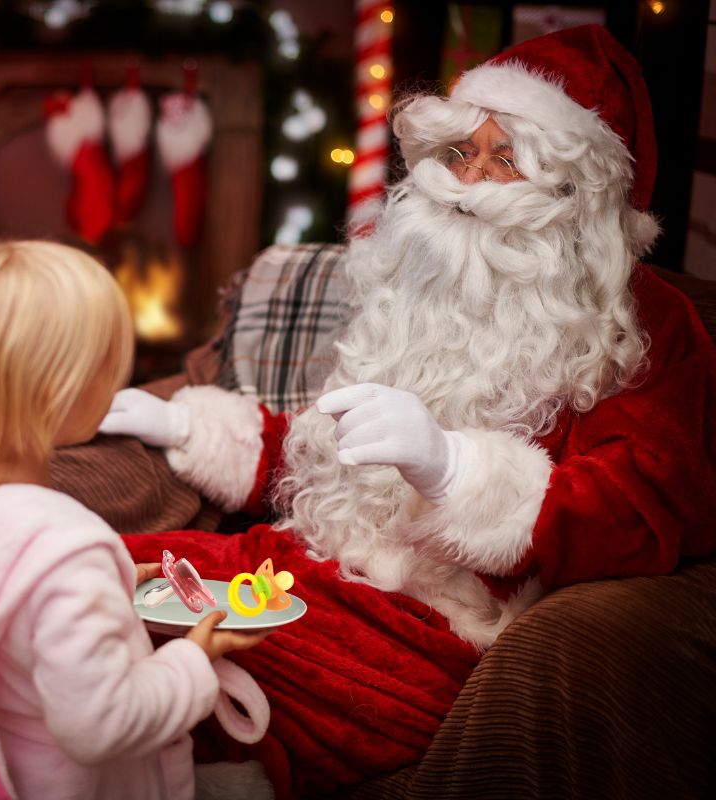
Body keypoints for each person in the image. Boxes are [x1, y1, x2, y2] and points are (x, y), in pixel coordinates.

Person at [98, 24, 716, 796]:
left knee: (141, 669)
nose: (468, 182)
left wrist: (455, 471)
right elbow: (333, 453)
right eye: (460, 154)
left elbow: (650, 505)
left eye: (507, 159)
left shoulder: (643, 323)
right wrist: (191, 426)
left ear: (577, 196)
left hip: (430, 633)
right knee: (80, 570)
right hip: (297, 573)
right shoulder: (421, 283)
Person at [0, 239, 273, 800]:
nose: (119, 373)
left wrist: (116, 585)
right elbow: (100, 725)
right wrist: (193, 660)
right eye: (104, 358)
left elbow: (1, 597)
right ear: (54, 388)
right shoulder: (70, 551)